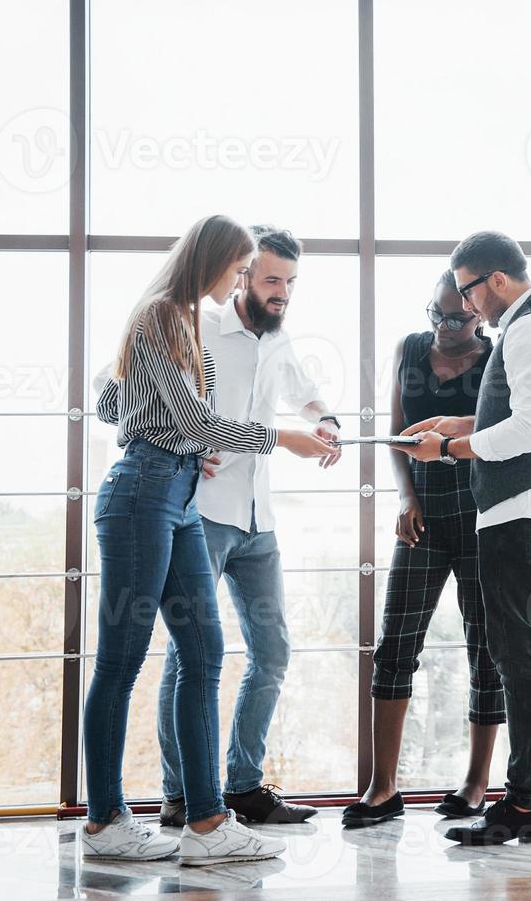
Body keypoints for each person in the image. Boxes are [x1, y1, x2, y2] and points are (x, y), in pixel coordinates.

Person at [83, 215, 336, 865]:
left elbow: (121, 406)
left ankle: (205, 823)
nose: (240, 282)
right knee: (121, 660)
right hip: (142, 492)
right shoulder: (164, 315)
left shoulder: (180, 321)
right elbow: (190, 417)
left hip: (180, 494)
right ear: (219, 261)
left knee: (204, 651)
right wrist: (276, 438)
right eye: (240, 269)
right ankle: (106, 820)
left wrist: (191, 440)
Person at [399, 231, 531, 846]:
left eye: (467, 291)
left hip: (524, 507)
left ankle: (523, 803)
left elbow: (530, 429)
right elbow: (517, 411)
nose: (465, 307)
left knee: (520, 657)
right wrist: (456, 423)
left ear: (494, 279)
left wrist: (450, 449)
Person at [156, 225, 341, 829]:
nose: (281, 291)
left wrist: (327, 419)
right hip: (202, 514)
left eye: (289, 282)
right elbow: (137, 397)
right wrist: (184, 440)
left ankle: (242, 785)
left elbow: (305, 393)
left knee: (272, 652)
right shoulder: (199, 328)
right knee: (188, 659)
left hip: (258, 521)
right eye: (270, 279)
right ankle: (181, 793)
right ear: (242, 276)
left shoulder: (277, 339)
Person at [342, 271, 505, 829]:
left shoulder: (496, 359)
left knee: (486, 647)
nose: (441, 327)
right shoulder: (410, 349)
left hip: (483, 514)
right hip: (423, 516)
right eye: (433, 314)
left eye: (456, 318)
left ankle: (477, 783)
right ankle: (383, 788)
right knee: (396, 642)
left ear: (478, 315)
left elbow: (508, 432)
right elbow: (394, 434)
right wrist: (406, 497)